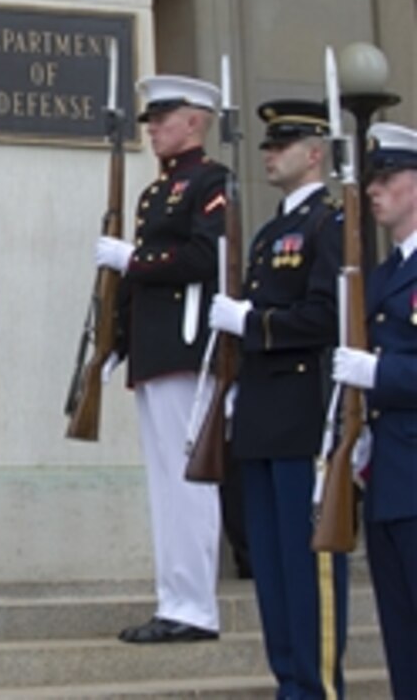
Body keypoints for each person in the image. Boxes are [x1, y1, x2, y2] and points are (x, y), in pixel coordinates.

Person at [209, 100, 346, 698]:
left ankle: (314, 687)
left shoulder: (330, 225)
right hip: (262, 415)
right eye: (267, 144)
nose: (269, 153)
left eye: (281, 144)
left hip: (302, 416)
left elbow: (325, 315)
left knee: (307, 566)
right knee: (270, 567)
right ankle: (288, 681)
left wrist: (252, 320)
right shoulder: (269, 234)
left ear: (314, 153)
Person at [94, 75, 227, 642]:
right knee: (164, 484)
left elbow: (204, 255)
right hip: (153, 350)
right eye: (149, 119)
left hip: (185, 347)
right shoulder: (155, 193)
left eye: (162, 118)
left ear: (195, 120)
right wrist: (115, 341)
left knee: (188, 481)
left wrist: (134, 257)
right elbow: (135, 285)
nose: (151, 129)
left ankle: (196, 606)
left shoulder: (212, 182)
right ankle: (174, 599)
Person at [331, 121, 417, 700]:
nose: (374, 190)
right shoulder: (383, 276)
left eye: (387, 178)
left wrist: (376, 374)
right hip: (388, 476)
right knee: (401, 640)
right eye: (372, 180)